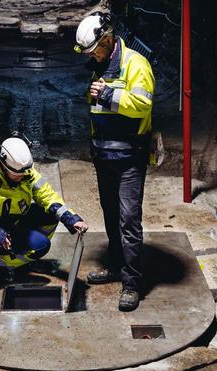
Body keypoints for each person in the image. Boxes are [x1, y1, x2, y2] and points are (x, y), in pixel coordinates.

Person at [74, 12, 154, 311]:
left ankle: (132, 283)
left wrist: (107, 95)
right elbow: (96, 111)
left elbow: (143, 105)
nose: (91, 57)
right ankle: (115, 265)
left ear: (107, 40)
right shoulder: (101, 64)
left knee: (129, 220)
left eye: (93, 50)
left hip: (129, 157)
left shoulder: (136, 64)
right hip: (104, 155)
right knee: (110, 215)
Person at [0, 136, 89, 283]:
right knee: (41, 246)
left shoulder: (25, 172)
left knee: (51, 214)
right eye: (17, 174)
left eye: (24, 173)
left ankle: (17, 255)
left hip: (11, 220)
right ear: (4, 166)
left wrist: (71, 219)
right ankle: (0, 263)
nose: (22, 177)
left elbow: (47, 196)